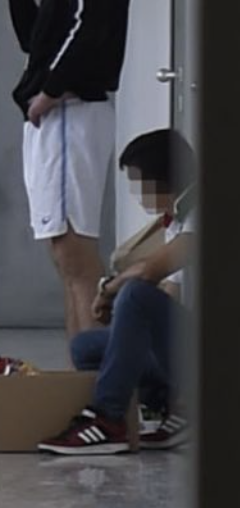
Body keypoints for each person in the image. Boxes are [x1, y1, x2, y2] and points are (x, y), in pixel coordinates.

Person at [3, 0, 131, 340]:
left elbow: (88, 26)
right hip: (58, 114)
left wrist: (51, 91)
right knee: (64, 253)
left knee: (75, 254)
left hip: (71, 112)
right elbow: (36, 42)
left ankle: (98, 376)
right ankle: (82, 369)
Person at [38, 127, 196, 455]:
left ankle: (108, 419)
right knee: (86, 346)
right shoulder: (177, 218)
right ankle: (168, 405)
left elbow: (150, 271)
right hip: (188, 345)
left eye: (140, 184)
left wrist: (109, 290)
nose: (139, 195)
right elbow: (170, 293)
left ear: (164, 178)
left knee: (135, 292)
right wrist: (125, 319)